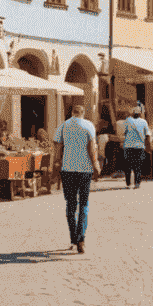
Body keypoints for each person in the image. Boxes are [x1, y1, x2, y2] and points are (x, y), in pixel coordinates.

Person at [57, 104, 100, 253]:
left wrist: (56, 165)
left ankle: (73, 238)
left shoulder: (63, 126)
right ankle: (81, 238)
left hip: (67, 169)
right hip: (85, 170)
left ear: (72, 113)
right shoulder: (88, 125)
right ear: (82, 113)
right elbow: (92, 147)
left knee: (70, 204)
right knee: (84, 204)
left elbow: (58, 147)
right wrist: (96, 165)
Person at [121, 104, 149, 188]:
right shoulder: (144, 122)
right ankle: (137, 183)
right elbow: (147, 135)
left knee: (128, 166)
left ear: (132, 114)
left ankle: (128, 183)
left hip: (128, 146)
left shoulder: (127, 121)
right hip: (139, 146)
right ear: (140, 114)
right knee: (138, 165)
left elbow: (124, 133)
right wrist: (147, 146)